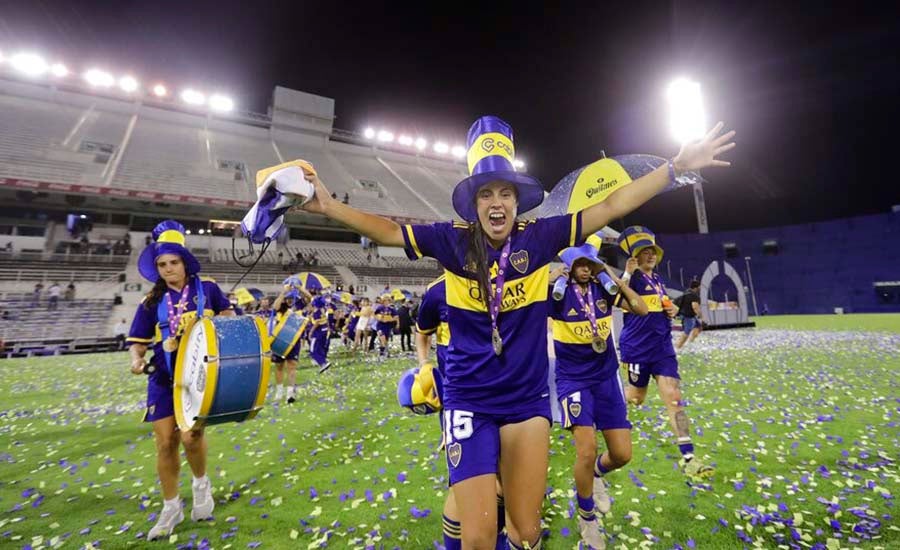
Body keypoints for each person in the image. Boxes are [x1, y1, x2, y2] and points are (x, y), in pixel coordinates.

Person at [295, 115, 733, 547]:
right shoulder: (452, 240)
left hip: (526, 400)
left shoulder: (541, 237)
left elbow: (610, 206)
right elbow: (390, 231)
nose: (496, 201)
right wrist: (330, 206)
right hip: (469, 398)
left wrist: (674, 167)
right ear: (474, 203)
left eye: (505, 191)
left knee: (525, 532)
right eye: (486, 193)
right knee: (480, 537)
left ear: (517, 201)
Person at [125, 220, 234, 540]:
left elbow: (229, 320)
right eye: (162, 264)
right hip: (162, 376)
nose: (168, 269)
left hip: (198, 376)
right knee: (165, 442)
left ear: (185, 262)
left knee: (190, 438)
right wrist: (136, 358)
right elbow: (138, 341)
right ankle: (171, 506)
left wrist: (216, 327)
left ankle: (201, 486)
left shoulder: (209, 289)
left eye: (173, 262)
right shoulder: (150, 301)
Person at [548, 244, 648, 548]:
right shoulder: (559, 294)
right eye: (579, 264)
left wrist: (616, 279)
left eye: (590, 264)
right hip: (573, 380)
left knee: (622, 454)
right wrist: (550, 277)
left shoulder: (604, 290)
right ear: (569, 266)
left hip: (605, 379)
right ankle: (587, 518)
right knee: (587, 449)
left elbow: (641, 309)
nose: (585, 269)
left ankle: (595, 475)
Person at [415, 275, 509, 549]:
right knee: (463, 483)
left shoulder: (508, 281)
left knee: (504, 477)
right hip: (462, 402)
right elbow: (422, 332)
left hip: (506, 395)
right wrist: (424, 366)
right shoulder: (438, 290)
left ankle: (498, 535)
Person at [616, 227, 714, 479]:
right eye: (645, 252)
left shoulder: (658, 280)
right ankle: (609, 397)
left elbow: (664, 306)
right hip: (637, 349)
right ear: (636, 257)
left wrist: (671, 312)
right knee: (637, 398)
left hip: (662, 349)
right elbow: (617, 295)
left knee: (674, 396)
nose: (650, 256)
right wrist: (627, 272)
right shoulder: (634, 277)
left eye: (653, 252)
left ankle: (689, 454)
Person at [269, 285, 312, 402]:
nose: (289, 300)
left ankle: (290, 393)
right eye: (287, 298)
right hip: (280, 340)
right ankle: (279, 391)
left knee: (292, 366)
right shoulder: (281, 308)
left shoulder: (298, 305)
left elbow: (309, 297)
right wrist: (283, 292)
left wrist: (300, 288)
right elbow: (275, 306)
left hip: (294, 340)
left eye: (290, 298)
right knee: (279, 367)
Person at [674, 280, 703, 351]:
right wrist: (701, 316)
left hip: (679, 315)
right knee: (687, 331)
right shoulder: (694, 295)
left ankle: (690, 343)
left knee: (698, 327)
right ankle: (678, 347)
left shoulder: (686, 292)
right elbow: (695, 307)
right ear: (697, 287)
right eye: (700, 287)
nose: (700, 288)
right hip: (687, 316)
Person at [308, 295, 333, 372]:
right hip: (324, 331)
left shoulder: (316, 312)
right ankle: (325, 364)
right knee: (320, 349)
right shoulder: (323, 310)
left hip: (318, 333)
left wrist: (311, 332)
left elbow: (317, 323)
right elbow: (326, 320)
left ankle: (323, 363)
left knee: (313, 351)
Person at [374, 294, 399, 359]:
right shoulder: (380, 308)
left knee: (386, 341)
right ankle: (382, 354)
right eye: (385, 300)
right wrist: (381, 318)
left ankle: (386, 352)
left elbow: (396, 317)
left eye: (388, 300)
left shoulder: (391, 309)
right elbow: (376, 316)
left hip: (388, 326)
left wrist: (390, 319)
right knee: (383, 339)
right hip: (380, 326)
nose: (386, 302)